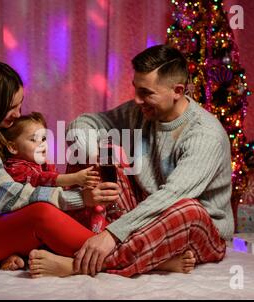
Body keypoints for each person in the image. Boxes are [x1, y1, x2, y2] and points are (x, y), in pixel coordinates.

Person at [27, 44, 234, 278]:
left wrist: (113, 234)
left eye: (146, 93)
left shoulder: (204, 135)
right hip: (145, 214)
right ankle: (154, 260)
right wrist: (97, 152)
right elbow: (82, 123)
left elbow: (171, 197)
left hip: (195, 227)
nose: (136, 99)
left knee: (188, 208)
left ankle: (77, 264)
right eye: (135, 89)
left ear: (177, 91)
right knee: (95, 154)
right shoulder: (142, 112)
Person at [0, 61, 119, 273]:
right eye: (10, 108)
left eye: (19, 105)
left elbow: (27, 180)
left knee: (54, 207)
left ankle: (87, 253)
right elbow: (8, 197)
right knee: (40, 214)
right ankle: (115, 257)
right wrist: (78, 198)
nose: (17, 114)